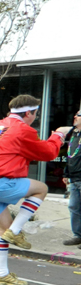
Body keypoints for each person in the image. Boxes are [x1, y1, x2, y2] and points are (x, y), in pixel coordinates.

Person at [0, 95, 70, 285]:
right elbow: (47, 153)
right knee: (41, 189)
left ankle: (1, 274)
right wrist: (59, 135)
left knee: (1, 229)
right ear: (29, 113)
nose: (35, 117)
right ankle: (15, 232)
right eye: (35, 114)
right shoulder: (23, 129)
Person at [62, 105, 81, 245]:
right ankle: (78, 235)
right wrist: (66, 173)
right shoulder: (74, 134)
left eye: (78, 115)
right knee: (74, 206)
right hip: (74, 178)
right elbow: (70, 156)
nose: (75, 117)